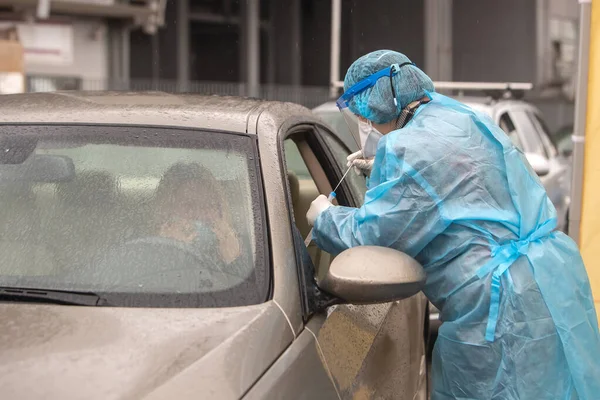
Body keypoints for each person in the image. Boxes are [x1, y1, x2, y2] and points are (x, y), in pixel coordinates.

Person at [306, 50, 600, 399]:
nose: (363, 125)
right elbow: (459, 181)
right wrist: (388, 172)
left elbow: (375, 235)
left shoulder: (407, 149)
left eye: (361, 114)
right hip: (548, 279)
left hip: (496, 305)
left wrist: (325, 217)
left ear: (378, 103)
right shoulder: (455, 116)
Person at [154, 162, 241, 266]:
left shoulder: (254, 248)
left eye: (209, 204)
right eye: (188, 205)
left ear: (221, 210)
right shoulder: (144, 253)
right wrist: (170, 251)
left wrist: (233, 260)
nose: (200, 214)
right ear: (167, 211)